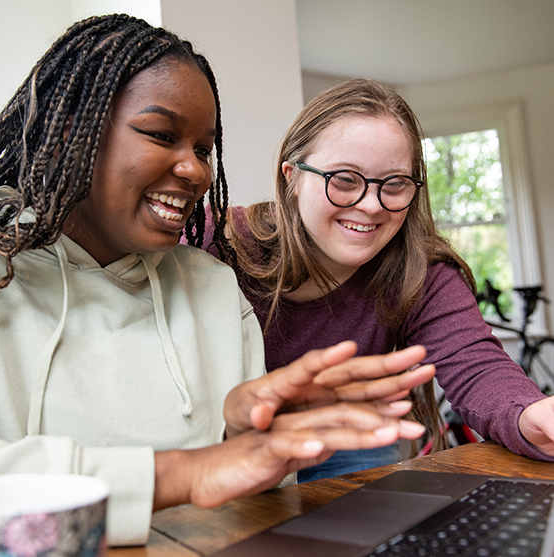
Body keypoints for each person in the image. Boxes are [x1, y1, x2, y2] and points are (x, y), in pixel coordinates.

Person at [0, 17, 435, 546]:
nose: (196, 171)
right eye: (162, 135)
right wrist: (185, 473)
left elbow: (262, 508)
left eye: (204, 149)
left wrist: (246, 436)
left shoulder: (211, 286)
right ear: (74, 129)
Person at [195, 78, 554, 482]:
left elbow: (476, 366)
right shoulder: (214, 240)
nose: (370, 206)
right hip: (219, 444)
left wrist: (531, 414)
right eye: (345, 180)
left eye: (395, 184)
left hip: (346, 445)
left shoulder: (422, 271)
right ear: (291, 178)